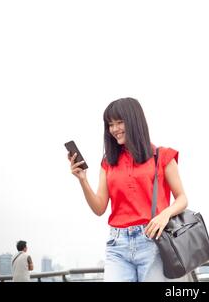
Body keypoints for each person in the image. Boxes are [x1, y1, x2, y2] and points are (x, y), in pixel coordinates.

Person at [67, 97, 188, 282]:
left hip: (154, 241)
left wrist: (165, 214)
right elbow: (99, 208)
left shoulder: (162, 156)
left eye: (119, 122)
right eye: (110, 124)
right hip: (118, 245)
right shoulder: (108, 162)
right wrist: (83, 180)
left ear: (134, 121)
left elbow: (182, 199)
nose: (114, 129)